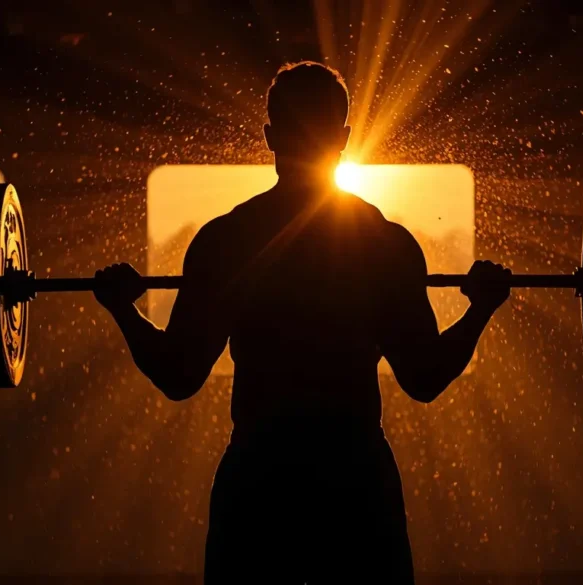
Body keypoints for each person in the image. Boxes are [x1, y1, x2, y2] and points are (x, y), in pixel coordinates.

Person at [94, 61, 511, 584]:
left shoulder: (227, 240)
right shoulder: (384, 242)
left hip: (261, 484)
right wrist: (481, 308)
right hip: (354, 485)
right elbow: (424, 379)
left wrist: (120, 308)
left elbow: (179, 376)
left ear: (270, 135)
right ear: (342, 136)